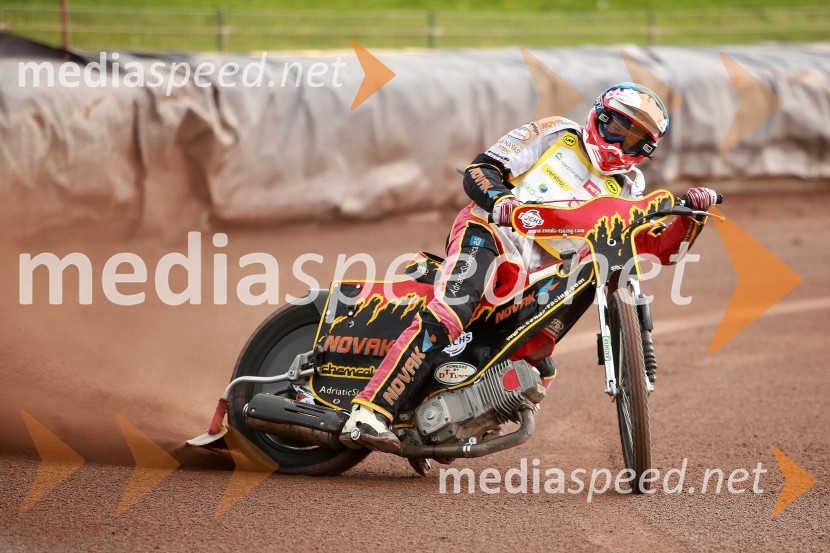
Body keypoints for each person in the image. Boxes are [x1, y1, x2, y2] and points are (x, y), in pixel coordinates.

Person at [339, 82, 718, 453]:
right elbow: (480, 169)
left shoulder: (630, 186)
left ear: (646, 150)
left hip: (535, 274)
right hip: (489, 232)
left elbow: (655, 251)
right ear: (597, 117)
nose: (619, 143)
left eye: (634, 140)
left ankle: (439, 425)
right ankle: (369, 411)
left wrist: (692, 218)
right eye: (615, 127)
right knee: (453, 310)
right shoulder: (555, 133)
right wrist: (501, 199)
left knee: (538, 365)